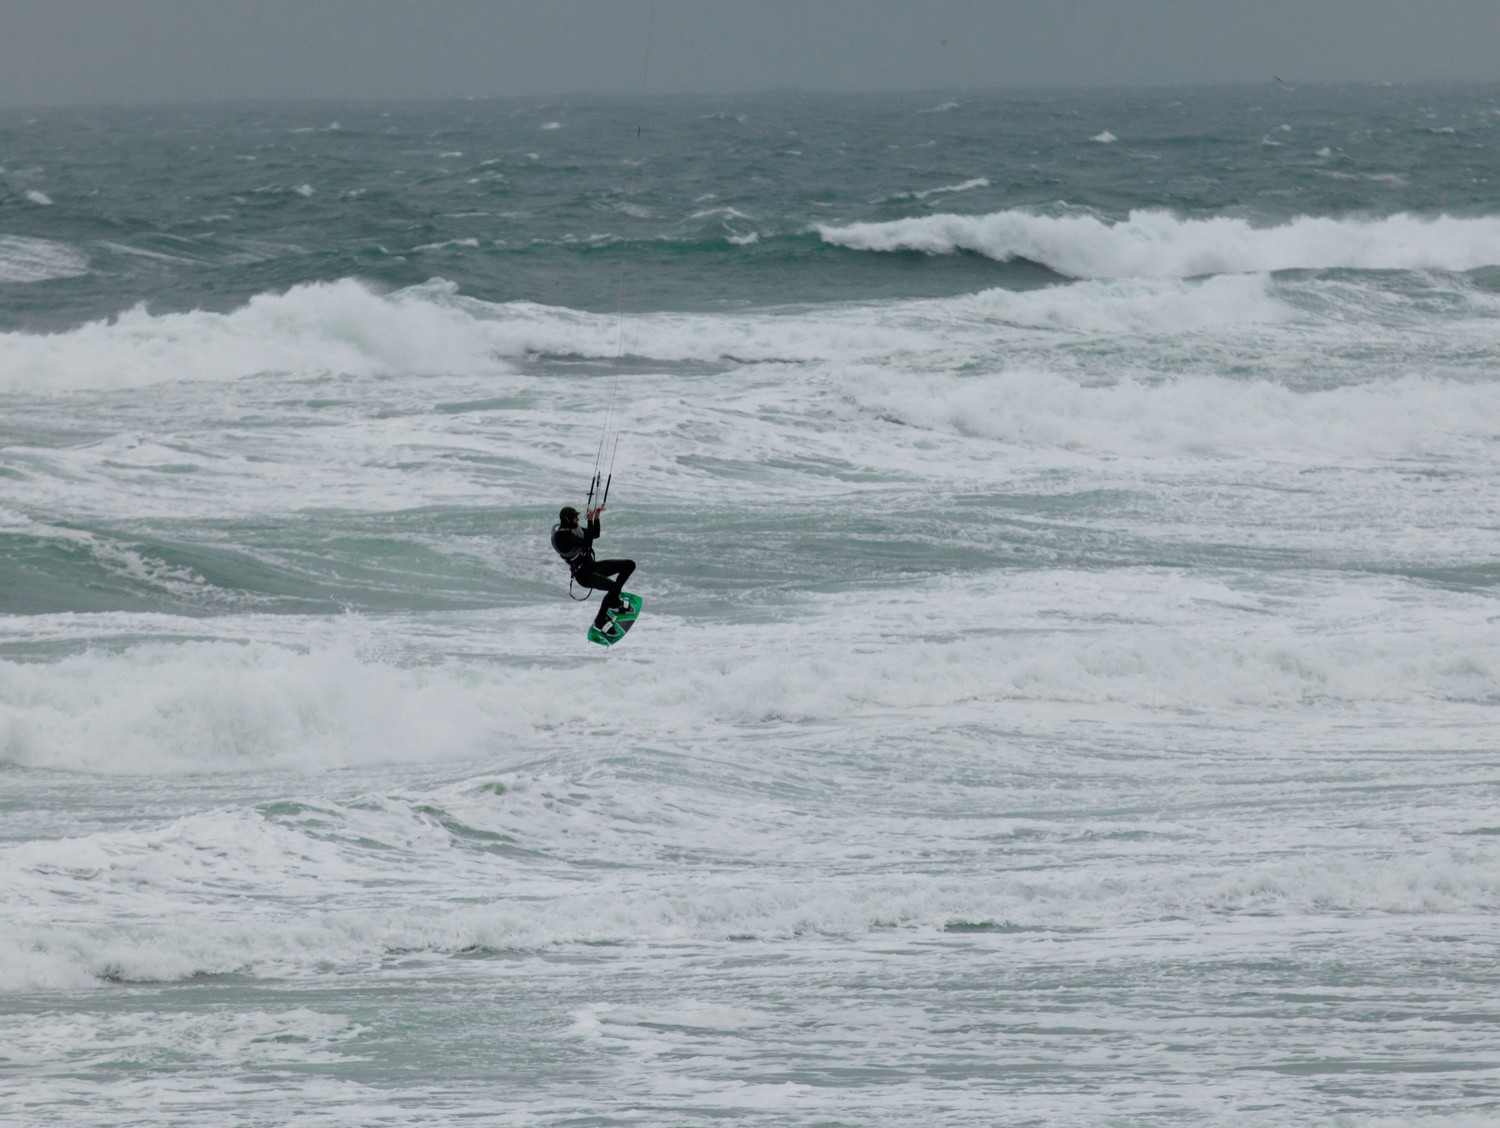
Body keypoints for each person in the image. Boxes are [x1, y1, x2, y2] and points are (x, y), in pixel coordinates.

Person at [551, 503, 636, 636]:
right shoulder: (562, 537)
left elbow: (594, 534)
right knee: (614, 588)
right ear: (567, 520)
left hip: (592, 567)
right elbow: (587, 543)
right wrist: (589, 520)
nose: (578, 520)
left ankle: (614, 602)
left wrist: (596, 517)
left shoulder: (572, 529)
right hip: (584, 575)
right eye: (575, 518)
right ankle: (600, 622)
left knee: (629, 565)